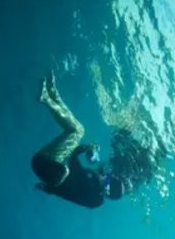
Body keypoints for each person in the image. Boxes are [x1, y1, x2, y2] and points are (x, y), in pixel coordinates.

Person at [31, 72, 160, 208]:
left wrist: (86, 148)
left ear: (105, 192)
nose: (106, 178)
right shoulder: (95, 187)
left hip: (48, 167)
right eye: (109, 178)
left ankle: (47, 98)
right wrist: (46, 188)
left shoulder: (93, 193)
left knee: (78, 132)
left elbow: (72, 158)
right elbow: (68, 193)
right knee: (75, 130)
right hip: (47, 163)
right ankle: (52, 93)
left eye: (107, 183)